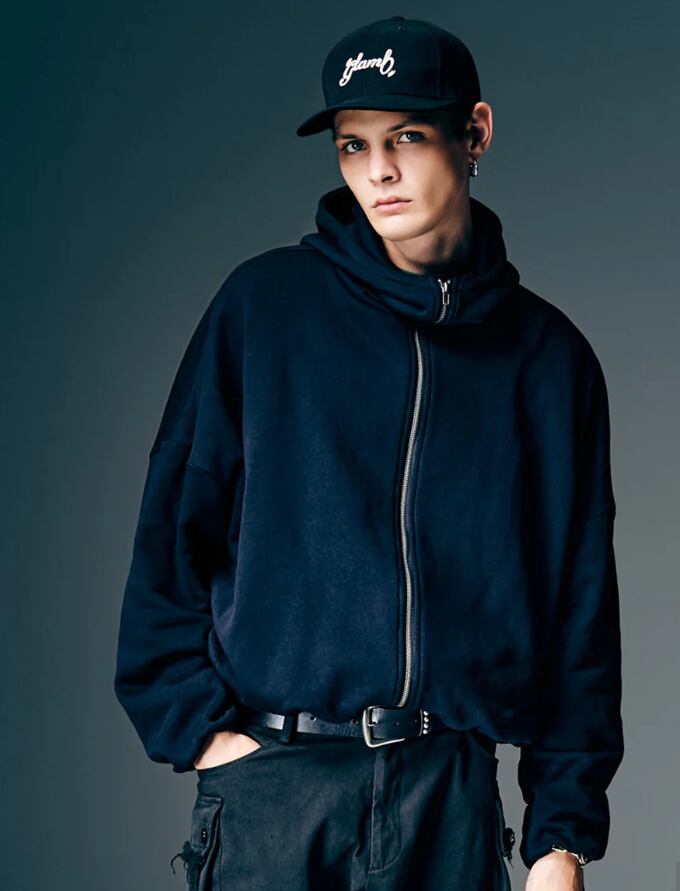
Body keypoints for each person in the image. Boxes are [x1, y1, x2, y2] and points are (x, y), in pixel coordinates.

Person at [114, 16, 624, 891]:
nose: (378, 170)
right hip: (277, 792)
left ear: (475, 133)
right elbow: (172, 533)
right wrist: (199, 730)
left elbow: (579, 613)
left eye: (408, 137)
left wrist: (560, 838)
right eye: (354, 145)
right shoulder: (265, 310)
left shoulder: (550, 362)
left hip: (448, 800)